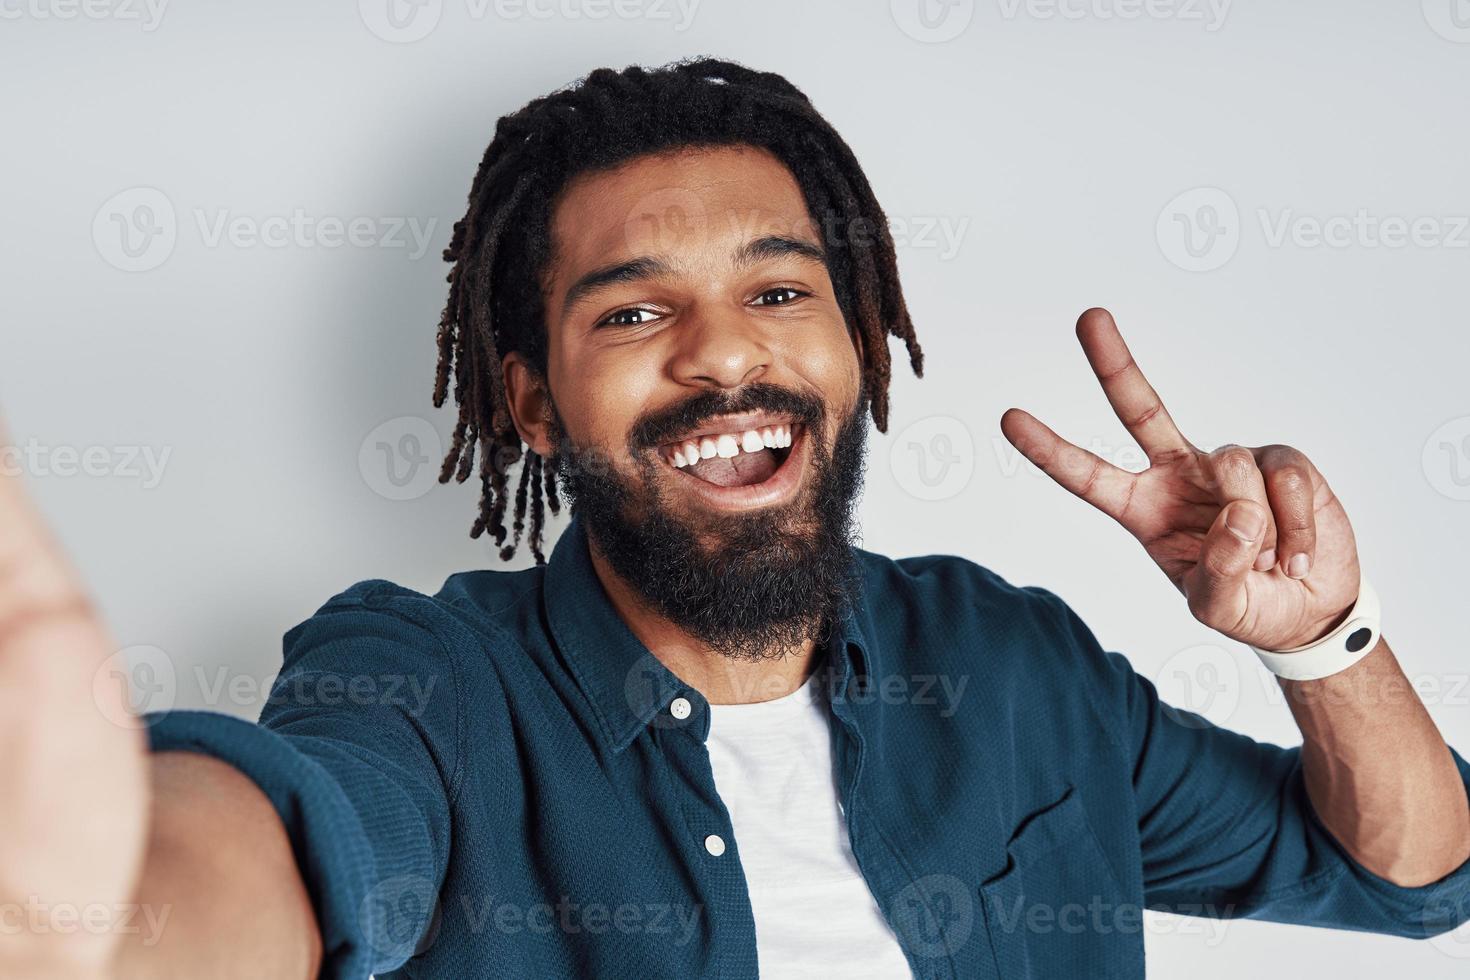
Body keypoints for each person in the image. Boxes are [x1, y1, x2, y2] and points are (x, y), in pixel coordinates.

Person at [3, 58, 1468, 980]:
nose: (722, 354)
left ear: (861, 341)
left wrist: (1325, 645)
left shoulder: (1008, 660)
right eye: (635, 310)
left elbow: (1404, 884)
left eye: (779, 291)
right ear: (529, 402)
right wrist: (108, 906)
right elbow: (298, 847)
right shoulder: (433, 683)